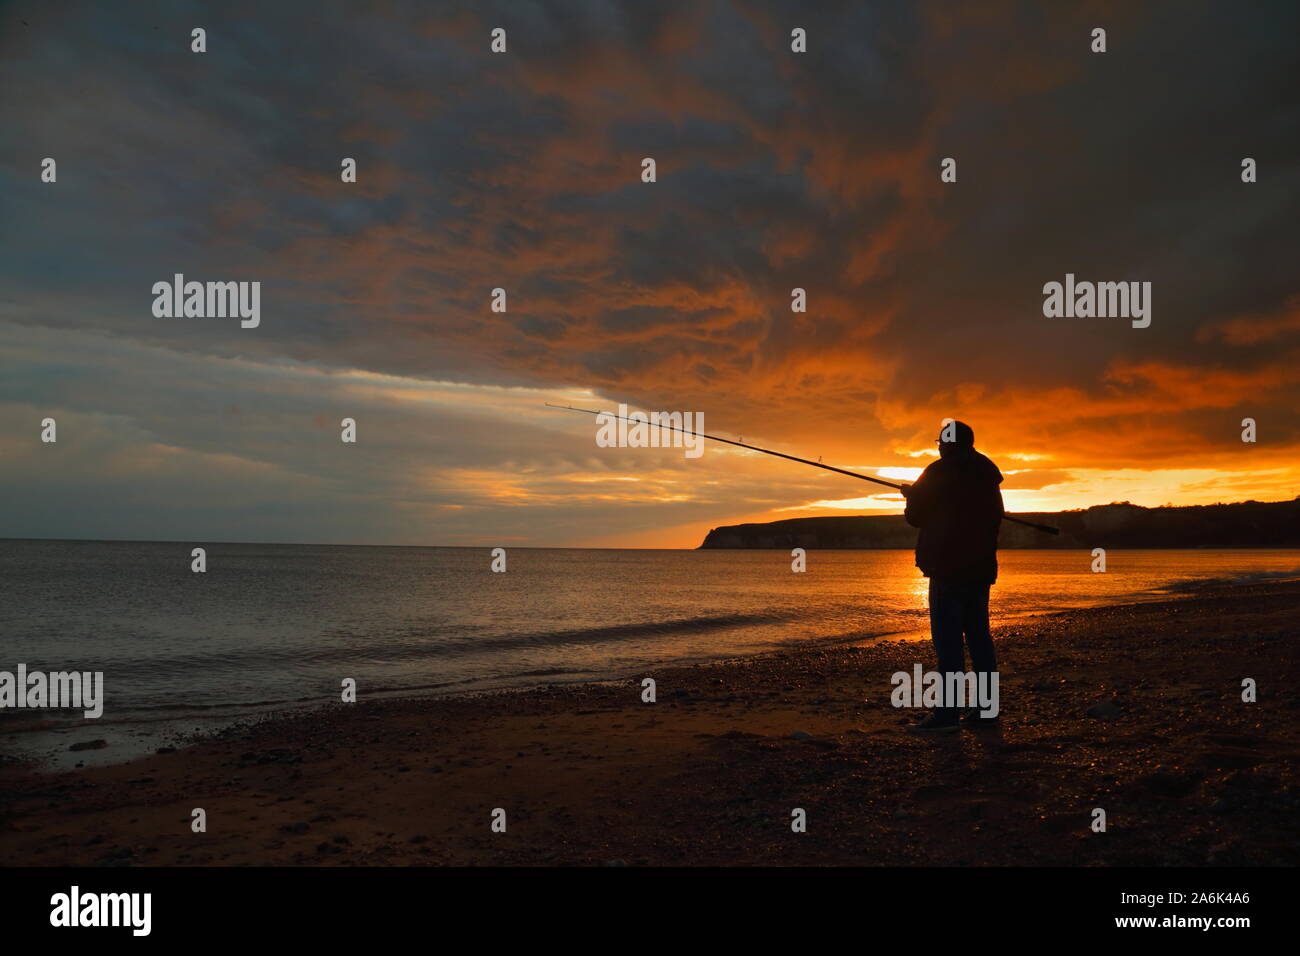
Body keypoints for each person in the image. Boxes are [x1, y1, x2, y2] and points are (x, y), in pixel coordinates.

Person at [900, 420, 1004, 730]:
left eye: (940, 442)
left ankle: (947, 714)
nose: (939, 446)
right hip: (980, 568)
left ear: (948, 443)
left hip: (947, 568)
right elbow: (991, 516)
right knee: (979, 639)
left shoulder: (938, 471)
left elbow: (916, 518)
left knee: (948, 643)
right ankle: (987, 711)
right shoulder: (986, 470)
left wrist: (912, 496)